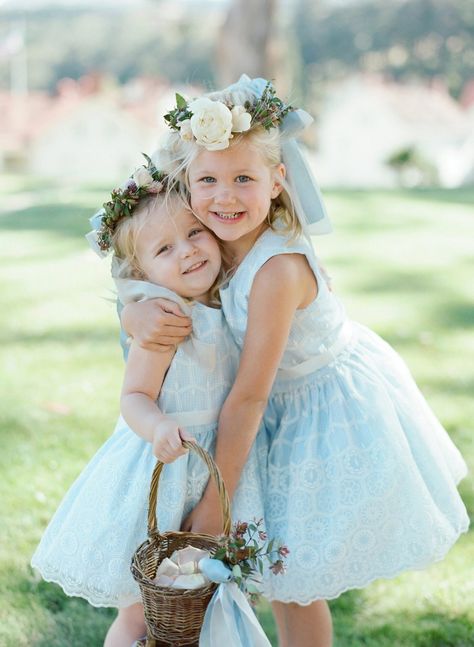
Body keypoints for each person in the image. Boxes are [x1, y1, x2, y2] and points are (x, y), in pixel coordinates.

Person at [123, 76, 470, 647]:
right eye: (207, 179)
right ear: (185, 184)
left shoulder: (277, 270)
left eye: (244, 179)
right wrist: (134, 316)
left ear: (278, 182)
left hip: (316, 412)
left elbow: (252, 393)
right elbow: (148, 272)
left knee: (294, 580)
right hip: (263, 411)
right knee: (277, 573)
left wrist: (216, 506)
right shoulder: (206, 243)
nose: (224, 197)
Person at [31, 159, 265, 647]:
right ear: (143, 273)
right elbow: (133, 397)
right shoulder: (163, 319)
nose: (188, 252)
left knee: (196, 608)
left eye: (196, 233)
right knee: (145, 609)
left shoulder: (227, 302)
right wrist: (157, 426)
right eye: (165, 248)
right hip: (164, 474)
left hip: (212, 471)